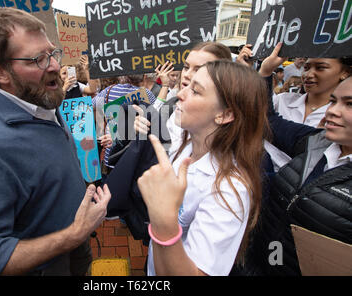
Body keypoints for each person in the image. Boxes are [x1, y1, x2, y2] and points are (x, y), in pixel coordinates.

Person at [0, 7, 110, 276]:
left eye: (53, 53)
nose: (54, 65)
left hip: (75, 258)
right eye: (37, 60)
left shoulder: (40, 103)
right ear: (0, 72)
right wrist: (72, 234)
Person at [137, 60, 269, 276]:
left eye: (196, 91)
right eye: (187, 85)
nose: (181, 93)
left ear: (225, 114)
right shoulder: (186, 147)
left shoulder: (228, 188)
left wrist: (162, 220)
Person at [237, 43, 352, 276]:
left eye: (349, 104)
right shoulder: (314, 142)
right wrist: (264, 73)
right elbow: (267, 120)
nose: (333, 112)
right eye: (332, 101)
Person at [273, 57, 350, 127]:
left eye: (320, 68)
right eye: (306, 68)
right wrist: (265, 71)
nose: (308, 75)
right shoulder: (281, 100)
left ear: (345, 73)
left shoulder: (345, 115)